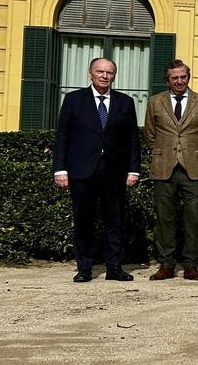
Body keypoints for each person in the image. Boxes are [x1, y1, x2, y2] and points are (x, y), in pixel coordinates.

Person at [52, 57, 140, 282]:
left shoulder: (125, 102)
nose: (104, 76)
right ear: (90, 74)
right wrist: (60, 169)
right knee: (83, 221)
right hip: (81, 170)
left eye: (109, 72)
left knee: (115, 221)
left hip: (114, 172)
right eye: (100, 71)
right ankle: (84, 268)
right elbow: (62, 136)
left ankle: (114, 268)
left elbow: (132, 139)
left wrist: (133, 170)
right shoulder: (73, 100)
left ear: (114, 76)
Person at [143, 59, 198, 282]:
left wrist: (196, 152)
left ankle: (191, 265)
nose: (179, 81)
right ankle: (166, 264)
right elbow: (149, 134)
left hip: (194, 168)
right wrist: (165, 151)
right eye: (174, 77)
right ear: (167, 80)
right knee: (164, 218)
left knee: (194, 218)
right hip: (163, 167)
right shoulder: (155, 102)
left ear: (188, 77)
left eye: (183, 77)